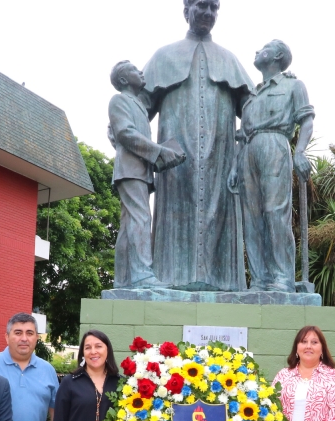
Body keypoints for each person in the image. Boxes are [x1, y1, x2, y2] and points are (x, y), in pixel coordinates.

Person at [142, 0, 254, 291]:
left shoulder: (229, 59)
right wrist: (121, 128)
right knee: (175, 221)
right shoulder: (163, 56)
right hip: (175, 164)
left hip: (221, 162)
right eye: (201, 6)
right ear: (186, 10)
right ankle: (170, 280)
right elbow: (138, 104)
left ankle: (222, 283)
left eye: (213, 8)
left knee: (219, 217)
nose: (207, 13)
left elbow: (254, 108)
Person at [229, 40, 314, 292]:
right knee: (252, 218)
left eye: (263, 48)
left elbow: (306, 120)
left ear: (277, 55)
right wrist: (235, 166)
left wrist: (300, 152)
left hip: (276, 144)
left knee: (275, 213)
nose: (256, 51)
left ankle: (281, 278)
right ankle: (260, 279)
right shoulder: (252, 96)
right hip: (249, 151)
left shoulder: (293, 85)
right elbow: (243, 135)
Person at [108, 60, 183, 289]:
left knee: (129, 223)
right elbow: (124, 133)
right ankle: (142, 275)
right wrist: (158, 151)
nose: (140, 72)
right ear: (122, 80)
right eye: (133, 70)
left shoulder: (138, 104)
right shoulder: (119, 100)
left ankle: (122, 279)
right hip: (130, 169)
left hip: (139, 169)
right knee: (140, 218)